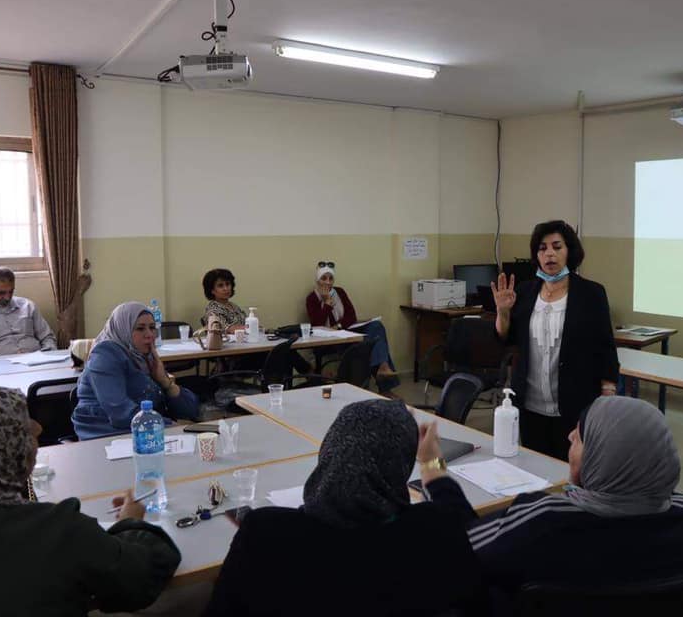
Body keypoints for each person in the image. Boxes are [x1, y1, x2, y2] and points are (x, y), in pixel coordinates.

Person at [0, 386, 182, 616]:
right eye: (21, 429)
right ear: (1, 453)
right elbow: (144, 575)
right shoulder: (58, 531)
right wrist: (130, 522)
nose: (38, 430)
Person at [204, 399, 483, 616]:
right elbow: (464, 524)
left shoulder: (265, 531)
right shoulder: (433, 529)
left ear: (329, 451)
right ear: (400, 466)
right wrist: (431, 462)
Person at [467, 396, 683, 613]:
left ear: (601, 457)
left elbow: (463, 554)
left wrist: (445, 488)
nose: (570, 436)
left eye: (582, 437)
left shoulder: (541, 522)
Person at [492, 220, 618, 460]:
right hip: (529, 404)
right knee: (534, 466)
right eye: (542, 248)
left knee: (572, 467)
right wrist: (503, 312)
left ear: (569, 251)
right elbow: (505, 338)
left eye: (557, 247)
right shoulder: (525, 292)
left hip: (575, 403)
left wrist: (607, 393)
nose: (549, 253)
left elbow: (605, 346)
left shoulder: (591, 293)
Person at [72, 302, 200, 440]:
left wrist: (165, 382)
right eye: (140, 329)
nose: (149, 335)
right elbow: (120, 413)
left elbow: (191, 410)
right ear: (124, 329)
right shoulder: (105, 356)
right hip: (105, 432)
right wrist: (169, 426)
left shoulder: (144, 357)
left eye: (152, 328)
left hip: (141, 428)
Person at [306, 261, 399, 394]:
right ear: (317, 280)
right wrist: (326, 304)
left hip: (345, 334)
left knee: (376, 328)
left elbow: (351, 316)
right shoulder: (311, 299)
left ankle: (383, 367)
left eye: (331, 278)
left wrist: (338, 326)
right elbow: (317, 324)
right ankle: (385, 385)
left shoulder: (340, 292)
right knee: (369, 345)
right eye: (324, 278)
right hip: (327, 341)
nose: (327, 282)